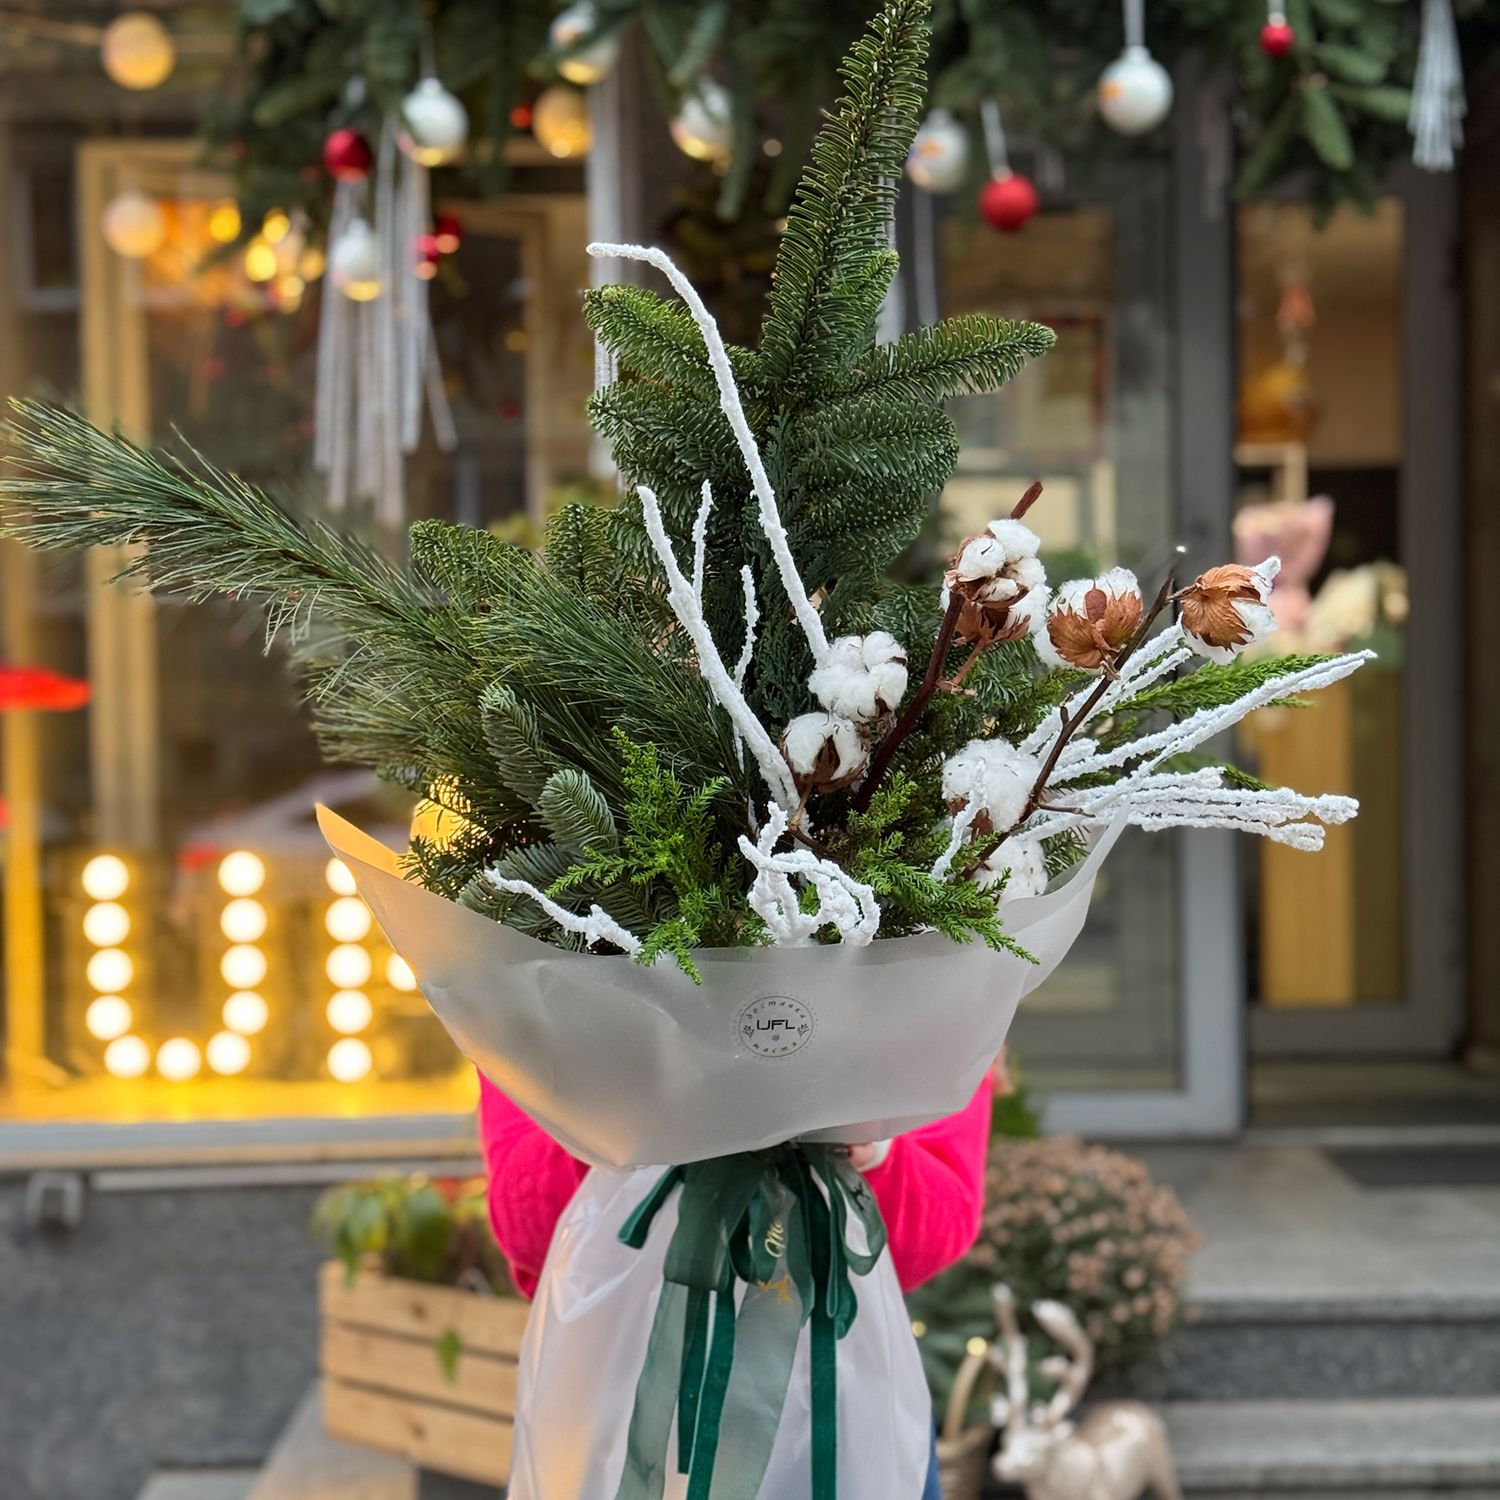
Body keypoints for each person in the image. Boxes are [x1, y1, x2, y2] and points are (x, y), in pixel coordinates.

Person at [478, 1065, 997, 1499]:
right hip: (613, 1399)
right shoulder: (536, 996)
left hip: (834, 1403)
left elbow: (930, 1236)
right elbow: (530, 1228)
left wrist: (871, 1147)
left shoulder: (943, 1008)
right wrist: (626, 1104)